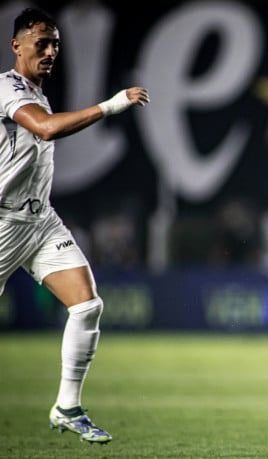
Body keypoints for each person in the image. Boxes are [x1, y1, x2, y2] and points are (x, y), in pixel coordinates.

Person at [1, 7, 150, 444]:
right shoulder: (8, 87)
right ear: (17, 45)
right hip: (4, 222)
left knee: (87, 306)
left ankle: (68, 407)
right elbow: (45, 130)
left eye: (55, 45)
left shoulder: (35, 91)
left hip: (39, 219)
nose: (50, 51)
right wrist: (111, 105)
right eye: (41, 43)